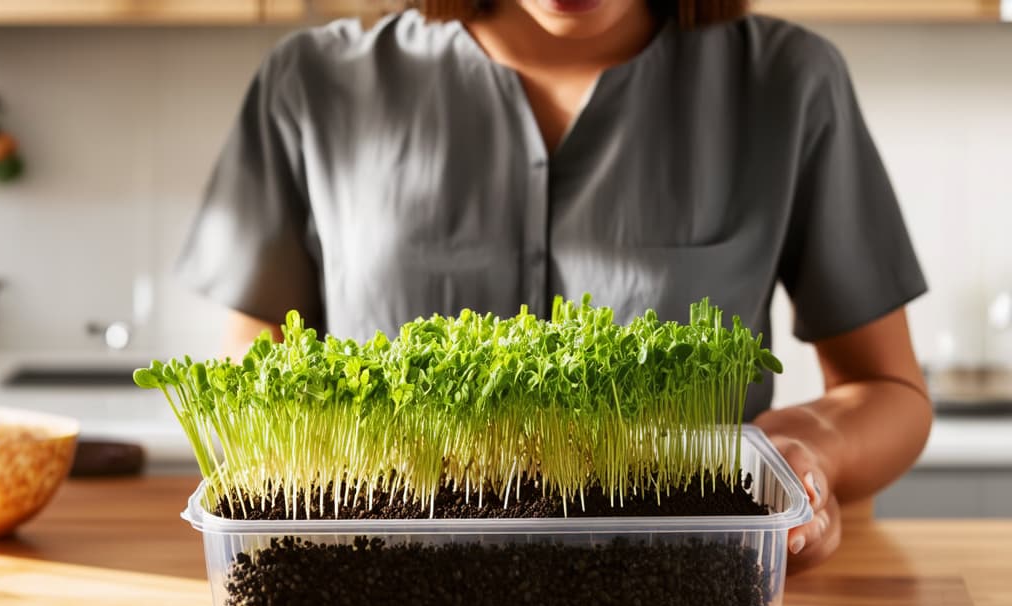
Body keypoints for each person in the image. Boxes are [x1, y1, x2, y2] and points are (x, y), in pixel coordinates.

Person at [176, 0, 933, 572]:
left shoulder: (788, 82)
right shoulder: (313, 83)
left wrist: (813, 450)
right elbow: (255, 389)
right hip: (384, 584)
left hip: (687, 592)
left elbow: (886, 387)